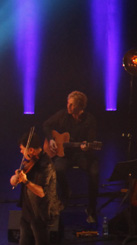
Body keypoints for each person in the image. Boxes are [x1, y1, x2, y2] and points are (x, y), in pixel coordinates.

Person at [10, 130, 62, 245]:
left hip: (41, 212)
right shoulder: (28, 162)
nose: (21, 153)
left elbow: (41, 192)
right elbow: (13, 181)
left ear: (31, 150)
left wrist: (26, 181)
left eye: (22, 149)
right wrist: (16, 178)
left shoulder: (46, 165)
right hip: (27, 212)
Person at [43, 90, 100, 223]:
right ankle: (65, 191)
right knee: (57, 169)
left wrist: (86, 146)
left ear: (80, 106)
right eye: (68, 104)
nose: (68, 107)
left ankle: (91, 208)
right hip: (65, 154)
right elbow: (46, 125)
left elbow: (90, 140)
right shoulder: (62, 115)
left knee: (94, 173)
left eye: (72, 105)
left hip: (82, 155)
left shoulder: (90, 120)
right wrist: (51, 139)